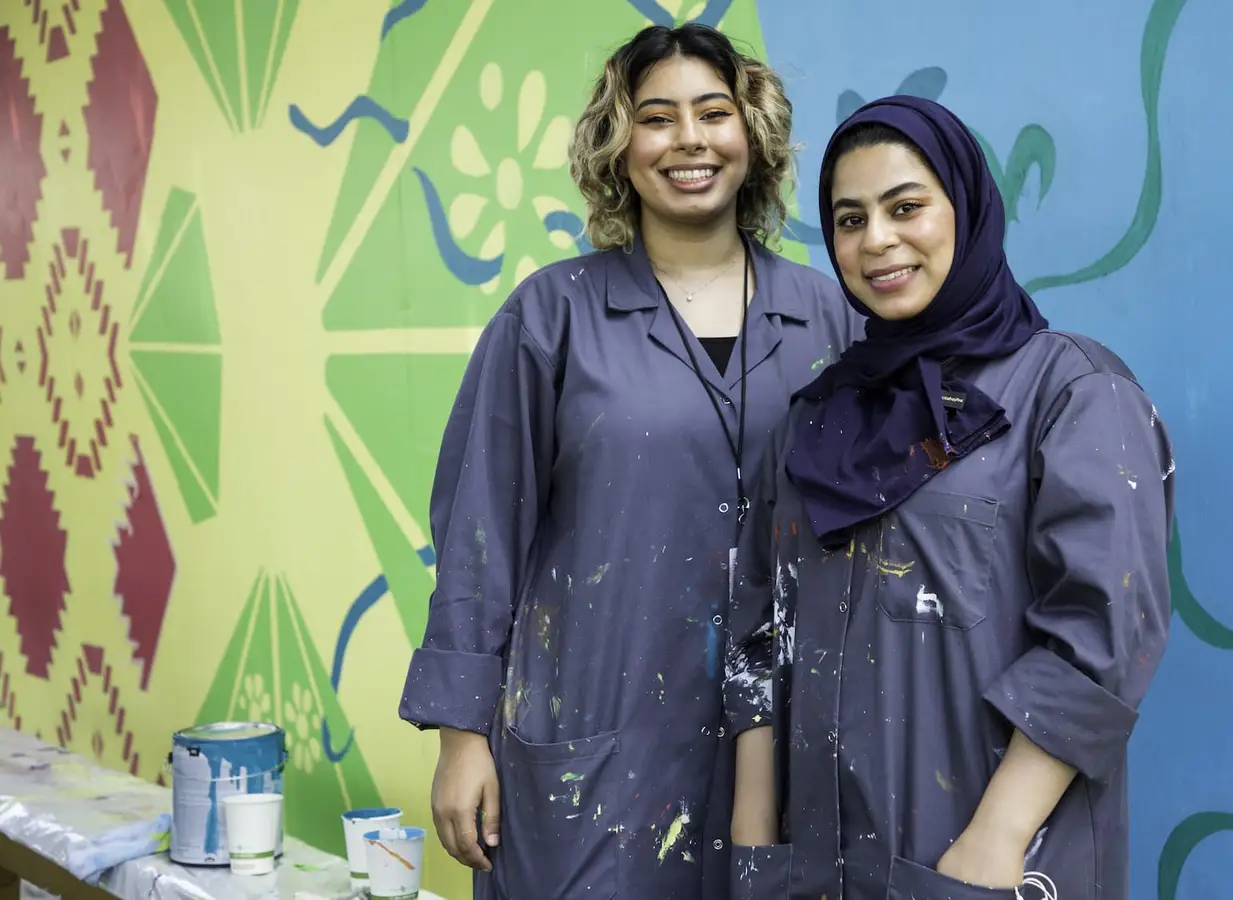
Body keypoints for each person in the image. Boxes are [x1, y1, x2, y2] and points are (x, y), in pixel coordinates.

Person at [397, 23, 860, 900]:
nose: (690, 139)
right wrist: (461, 738)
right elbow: (478, 532)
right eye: (657, 117)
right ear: (619, 145)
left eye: (714, 112)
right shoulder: (551, 318)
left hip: (781, 754)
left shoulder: (830, 320)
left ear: (750, 135)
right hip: (595, 749)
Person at [723, 95, 1175, 900]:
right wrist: (755, 843)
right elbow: (761, 630)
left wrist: (995, 839)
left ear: (965, 209)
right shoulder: (815, 419)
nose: (878, 241)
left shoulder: (1070, 392)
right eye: (850, 219)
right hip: (811, 870)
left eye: (906, 208)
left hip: (988, 862)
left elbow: (1104, 637)